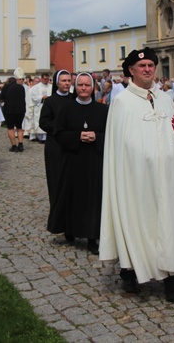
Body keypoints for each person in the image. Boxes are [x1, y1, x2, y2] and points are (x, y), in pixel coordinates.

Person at [99, 47, 174, 301]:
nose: (148, 69)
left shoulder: (164, 98)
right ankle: (131, 270)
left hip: (169, 178)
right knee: (139, 222)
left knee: (173, 223)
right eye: (142, 66)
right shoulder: (122, 102)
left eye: (151, 65)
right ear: (131, 71)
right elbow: (119, 146)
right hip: (137, 179)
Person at [48, 72, 108, 255]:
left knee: (93, 199)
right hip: (72, 159)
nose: (83, 88)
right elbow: (58, 133)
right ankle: (70, 229)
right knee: (71, 196)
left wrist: (96, 137)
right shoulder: (66, 109)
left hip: (93, 162)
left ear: (93, 88)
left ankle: (92, 237)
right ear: (76, 86)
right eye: (80, 85)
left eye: (87, 85)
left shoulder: (102, 110)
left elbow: (111, 135)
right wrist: (77, 136)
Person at [39, 70, 74, 228]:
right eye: (64, 81)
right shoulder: (50, 101)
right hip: (55, 147)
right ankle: (58, 219)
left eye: (69, 80)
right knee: (56, 181)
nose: (67, 83)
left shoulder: (75, 99)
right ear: (57, 83)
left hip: (73, 146)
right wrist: (60, 129)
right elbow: (44, 122)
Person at [1, 75, 27, 152]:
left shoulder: (6, 87)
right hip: (20, 110)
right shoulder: (21, 87)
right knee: (19, 127)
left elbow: (2, 97)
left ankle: (14, 146)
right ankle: (21, 144)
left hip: (9, 110)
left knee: (10, 128)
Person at [29, 73, 52, 142]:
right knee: (39, 120)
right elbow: (34, 97)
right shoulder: (36, 87)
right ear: (41, 78)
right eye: (45, 79)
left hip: (49, 107)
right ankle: (40, 137)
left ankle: (47, 135)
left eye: (48, 79)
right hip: (40, 106)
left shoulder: (51, 86)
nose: (46, 80)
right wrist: (42, 97)